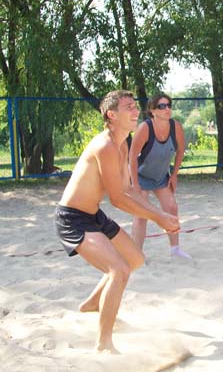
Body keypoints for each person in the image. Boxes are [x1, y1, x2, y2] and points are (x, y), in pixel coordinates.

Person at [55, 90, 180, 353]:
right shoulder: (105, 146)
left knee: (134, 259)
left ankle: (93, 304)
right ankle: (103, 345)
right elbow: (118, 199)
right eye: (129, 107)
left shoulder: (122, 143)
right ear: (112, 115)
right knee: (119, 270)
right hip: (73, 219)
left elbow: (128, 190)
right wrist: (158, 217)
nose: (136, 111)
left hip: (93, 215)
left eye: (135, 106)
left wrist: (159, 214)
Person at [129, 92, 190, 259]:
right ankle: (137, 255)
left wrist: (174, 175)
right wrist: (135, 184)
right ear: (152, 110)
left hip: (161, 177)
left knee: (172, 208)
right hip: (141, 176)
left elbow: (180, 150)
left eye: (169, 105)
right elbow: (132, 157)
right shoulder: (145, 128)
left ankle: (175, 250)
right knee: (141, 214)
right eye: (162, 106)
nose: (167, 109)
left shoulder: (175, 127)